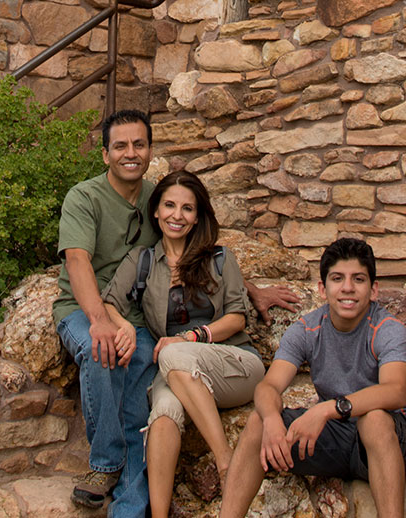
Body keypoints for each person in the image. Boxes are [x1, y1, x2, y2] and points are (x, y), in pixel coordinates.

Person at [55, 110, 300, 515]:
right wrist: (101, 321)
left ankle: (133, 508)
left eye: (138, 145)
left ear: (150, 150)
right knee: (101, 354)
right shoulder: (85, 198)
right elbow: (78, 261)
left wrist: (250, 290)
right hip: (87, 309)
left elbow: (199, 250)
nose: (130, 153)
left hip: (142, 325)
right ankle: (104, 467)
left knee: (142, 406)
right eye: (120, 146)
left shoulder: (159, 195)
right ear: (105, 155)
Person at [97, 170, 264, 518]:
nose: (177, 215)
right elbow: (109, 302)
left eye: (187, 208)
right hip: (177, 373)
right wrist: (125, 324)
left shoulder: (220, 258)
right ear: (155, 211)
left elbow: (237, 317)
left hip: (233, 364)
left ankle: (224, 462)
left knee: (171, 354)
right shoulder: (141, 261)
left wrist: (191, 337)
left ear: (197, 216)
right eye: (169, 205)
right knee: (163, 415)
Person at [215, 238, 406, 518]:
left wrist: (326, 409)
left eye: (358, 279)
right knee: (259, 421)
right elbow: (268, 386)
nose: (347, 288)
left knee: (374, 420)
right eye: (337, 278)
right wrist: (273, 419)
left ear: (373, 290)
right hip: (338, 437)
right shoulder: (307, 329)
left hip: (392, 438)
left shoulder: (387, 329)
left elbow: (394, 392)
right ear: (323, 289)